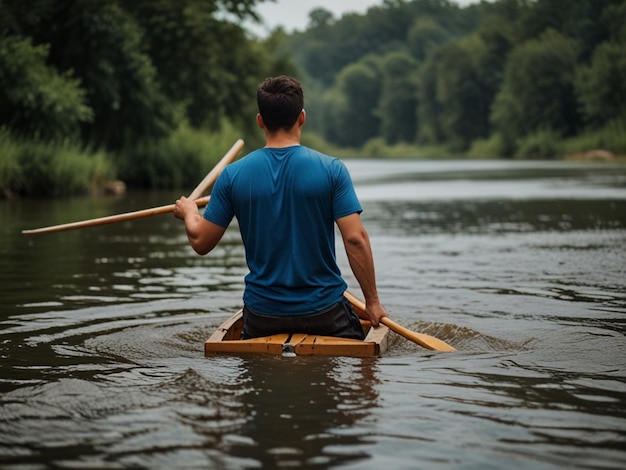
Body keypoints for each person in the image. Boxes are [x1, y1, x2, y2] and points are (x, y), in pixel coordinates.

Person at [173, 75, 387, 339]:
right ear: (302, 117)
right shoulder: (332, 170)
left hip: (263, 315)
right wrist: (373, 302)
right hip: (324, 313)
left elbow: (201, 242)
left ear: (260, 121)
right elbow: (355, 239)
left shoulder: (231, 176)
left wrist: (189, 214)